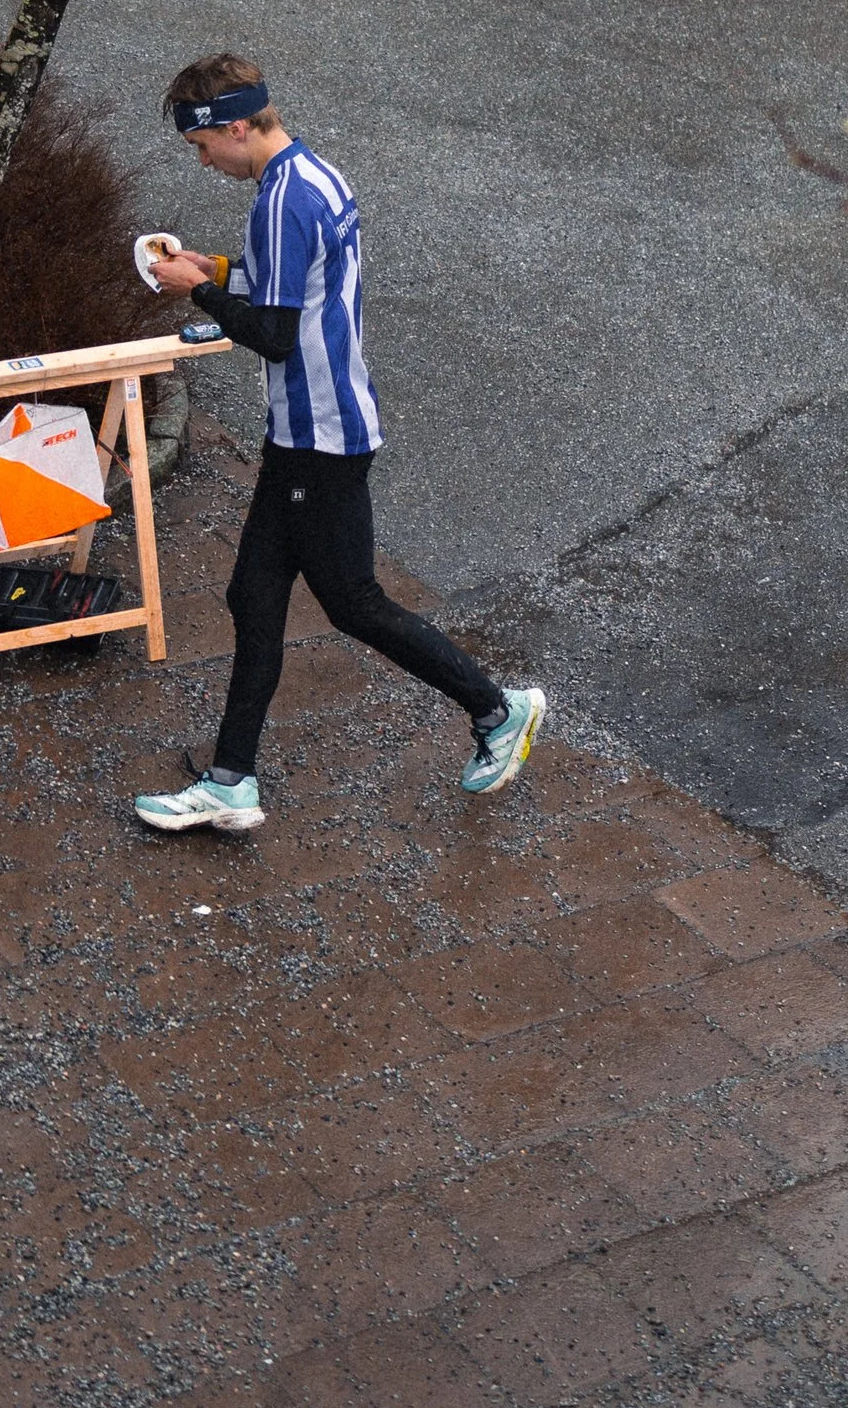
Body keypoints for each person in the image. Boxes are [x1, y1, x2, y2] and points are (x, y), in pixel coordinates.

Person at [132, 54, 545, 835]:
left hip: (317, 440)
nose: (201, 161)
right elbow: (273, 279)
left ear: (234, 126)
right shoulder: (312, 175)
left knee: (353, 602)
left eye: (200, 146)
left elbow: (275, 334)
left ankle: (498, 709)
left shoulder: (282, 201)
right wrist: (207, 266)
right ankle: (231, 781)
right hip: (315, 435)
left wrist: (201, 293)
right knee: (253, 596)